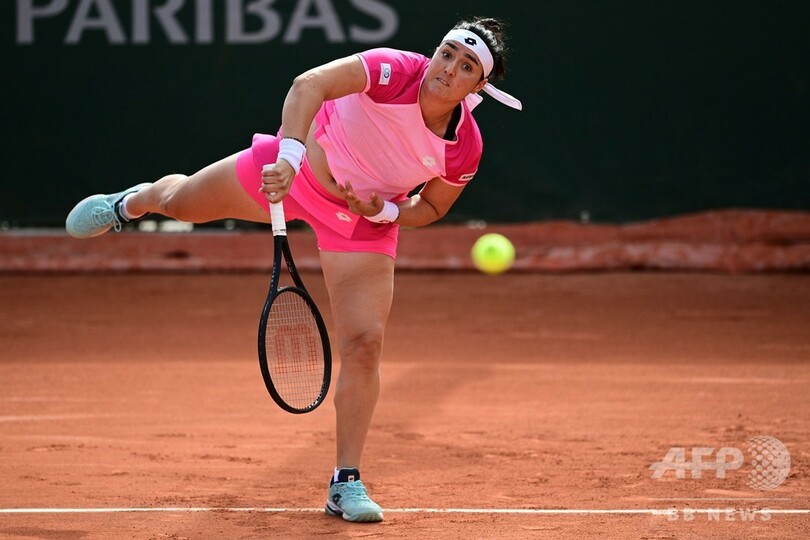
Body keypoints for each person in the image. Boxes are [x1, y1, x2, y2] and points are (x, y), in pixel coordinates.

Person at [65, 16, 520, 523]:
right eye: (447, 53)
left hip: (361, 224)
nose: (448, 68)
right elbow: (309, 84)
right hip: (293, 177)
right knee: (181, 203)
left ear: (478, 87)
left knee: (364, 344)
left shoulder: (464, 146)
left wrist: (386, 211)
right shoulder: (392, 69)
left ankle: (345, 481)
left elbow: (431, 207)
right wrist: (289, 155)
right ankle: (133, 201)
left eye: (466, 66)